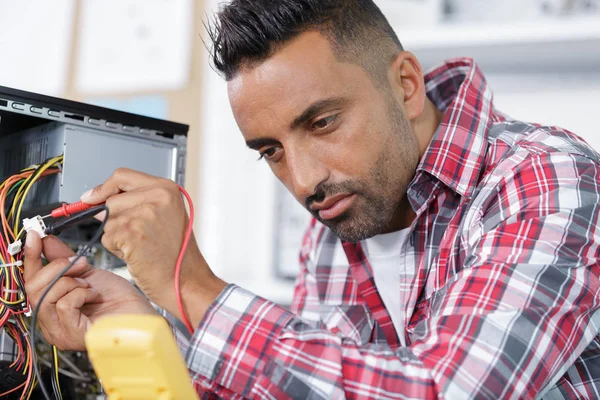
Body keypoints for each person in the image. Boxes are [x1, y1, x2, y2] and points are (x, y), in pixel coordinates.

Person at [24, 0, 600, 398]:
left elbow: (443, 388)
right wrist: (142, 324)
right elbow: (316, 384)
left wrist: (194, 288)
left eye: (322, 123)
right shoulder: (335, 225)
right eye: (270, 150)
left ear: (405, 84)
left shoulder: (544, 178)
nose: (302, 182)